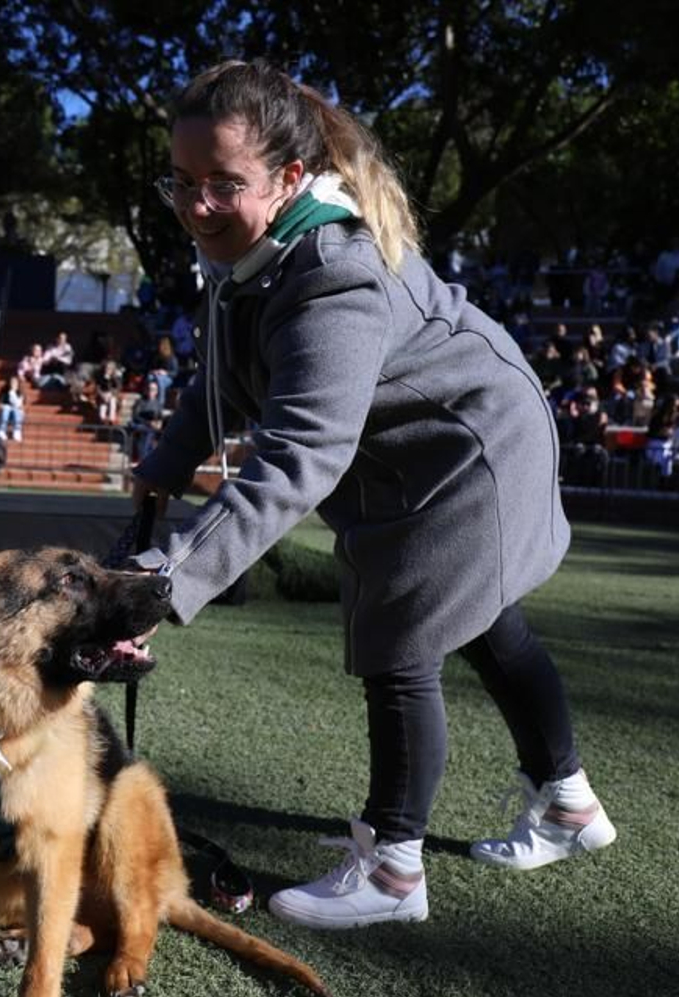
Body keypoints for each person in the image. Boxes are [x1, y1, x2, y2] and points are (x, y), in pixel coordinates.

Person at [127, 60, 615, 929]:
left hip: (471, 452)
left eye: (222, 184)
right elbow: (224, 375)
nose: (196, 206)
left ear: (284, 179)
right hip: (427, 449)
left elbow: (299, 453)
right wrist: (167, 463)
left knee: (399, 640)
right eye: (183, 181)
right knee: (491, 626)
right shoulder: (248, 249)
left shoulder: (331, 272)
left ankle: (394, 871)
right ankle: (571, 805)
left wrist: (167, 579)